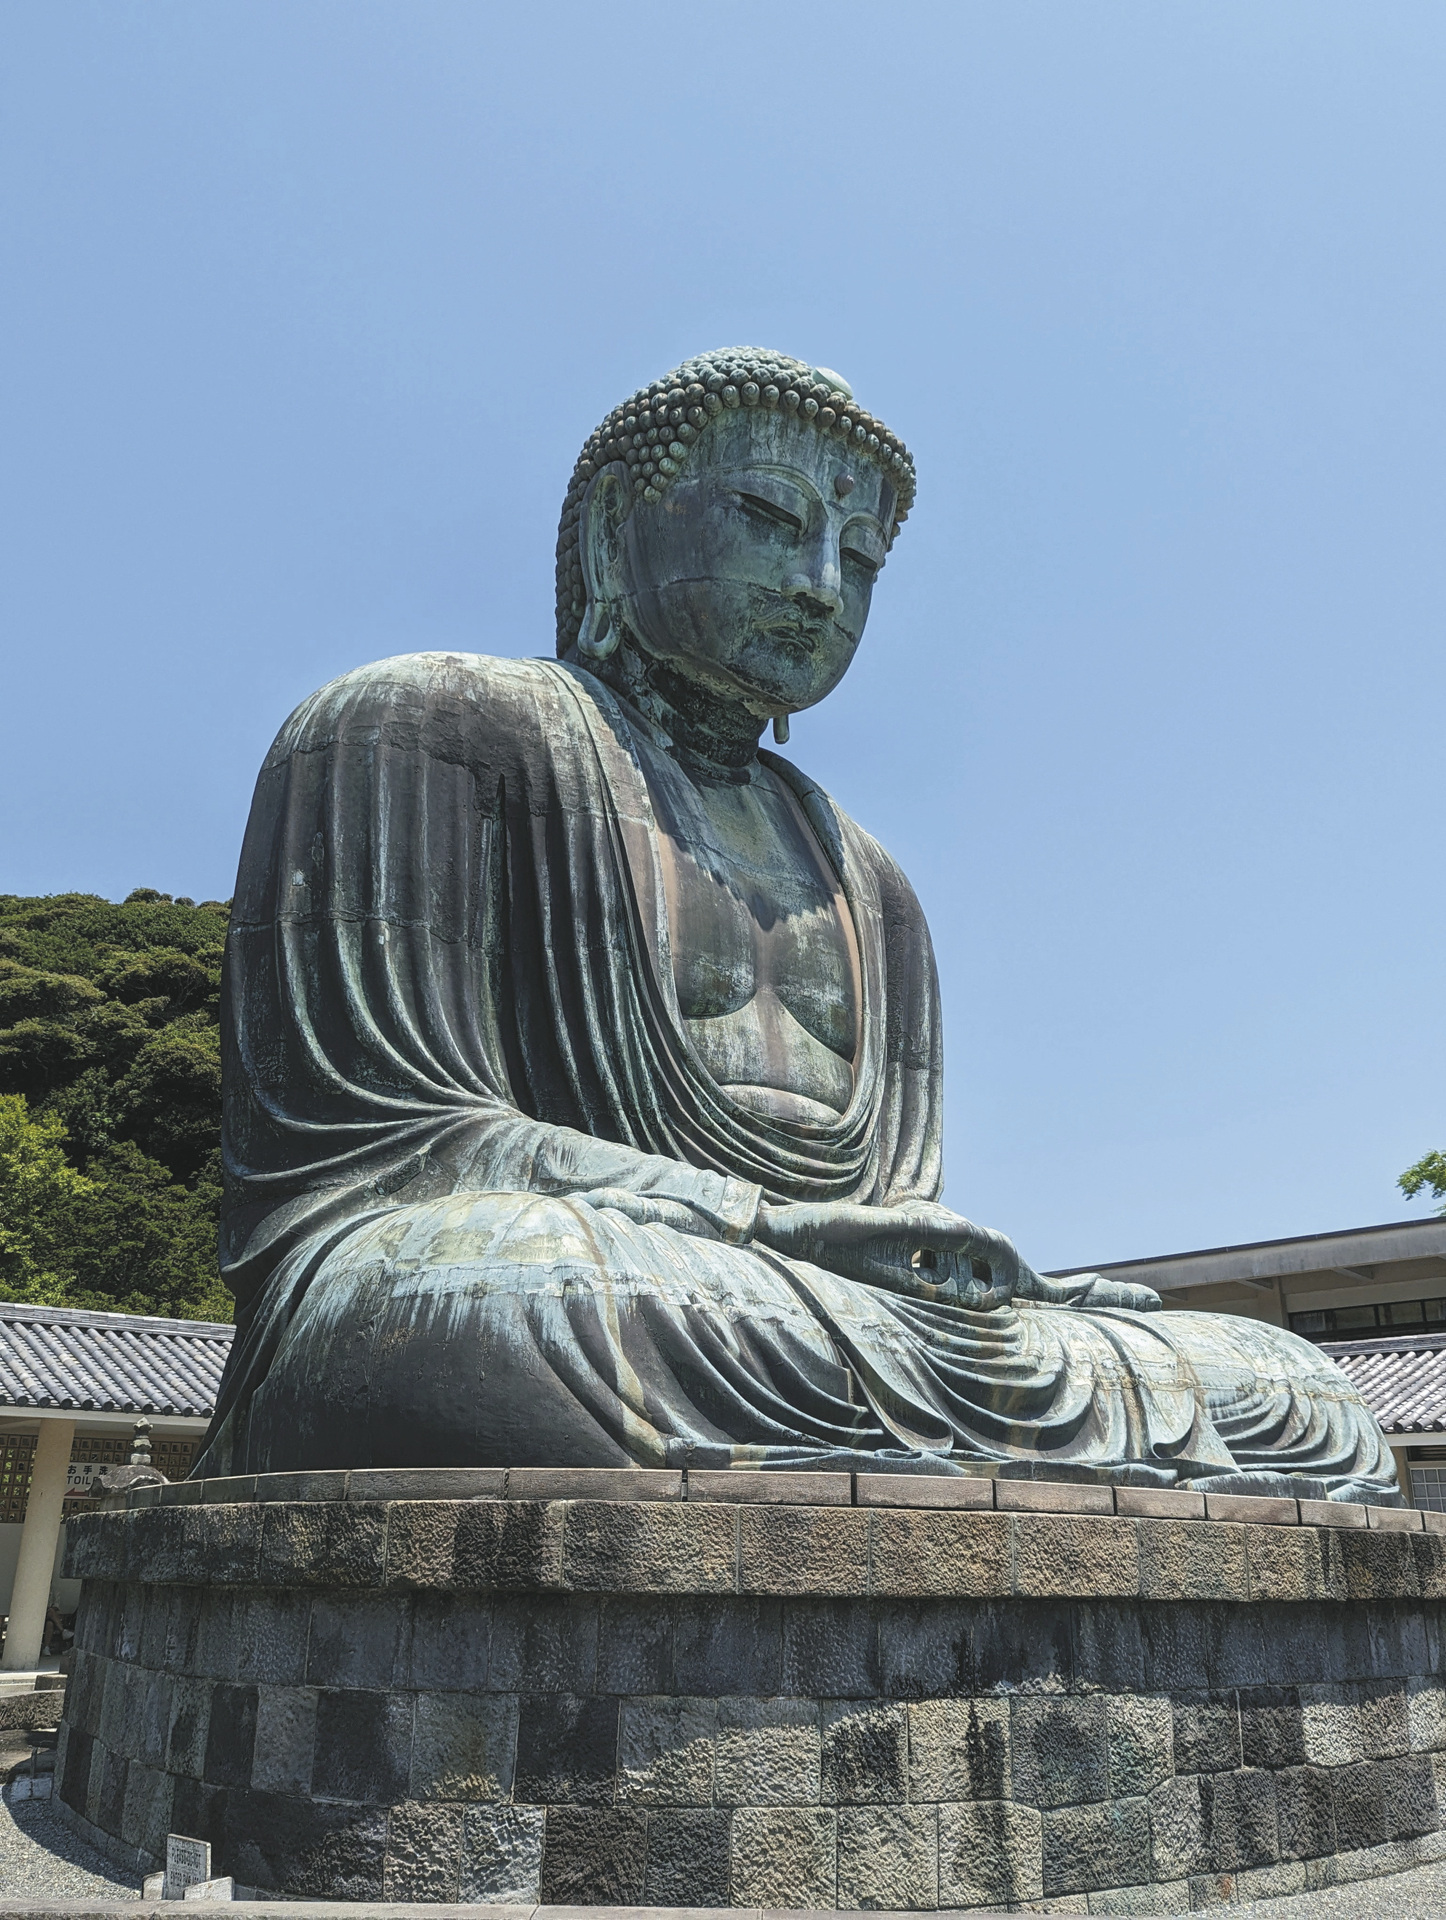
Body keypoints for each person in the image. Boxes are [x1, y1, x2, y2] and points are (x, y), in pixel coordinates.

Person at [197, 348, 1396, 1501]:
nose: (821, 584)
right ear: (620, 523)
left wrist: (914, 1268)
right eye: (771, 518)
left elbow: (891, 1202)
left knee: (1286, 1385)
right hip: (569, 1273)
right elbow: (386, 1151)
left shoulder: (873, 881)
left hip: (816, 1310)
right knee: (501, 1307)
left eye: (862, 557)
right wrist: (764, 1222)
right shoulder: (423, 727)